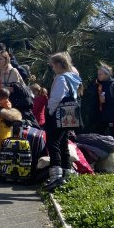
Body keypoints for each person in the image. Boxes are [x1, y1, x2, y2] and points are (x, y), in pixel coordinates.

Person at [43, 52, 82, 192]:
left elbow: (56, 97)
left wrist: (50, 110)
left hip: (58, 114)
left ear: (59, 64)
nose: (52, 67)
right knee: (64, 142)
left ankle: (56, 175)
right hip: (69, 115)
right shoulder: (73, 77)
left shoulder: (61, 78)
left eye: (53, 64)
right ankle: (67, 172)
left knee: (52, 142)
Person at [93, 64, 114, 147]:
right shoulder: (99, 84)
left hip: (112, 115)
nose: (98, 76)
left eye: (100, 74)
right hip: (102, 115)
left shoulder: (113, 84)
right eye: (98, 74)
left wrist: (107, 99)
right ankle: (102, 155)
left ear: (107, 74)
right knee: (99, 135)